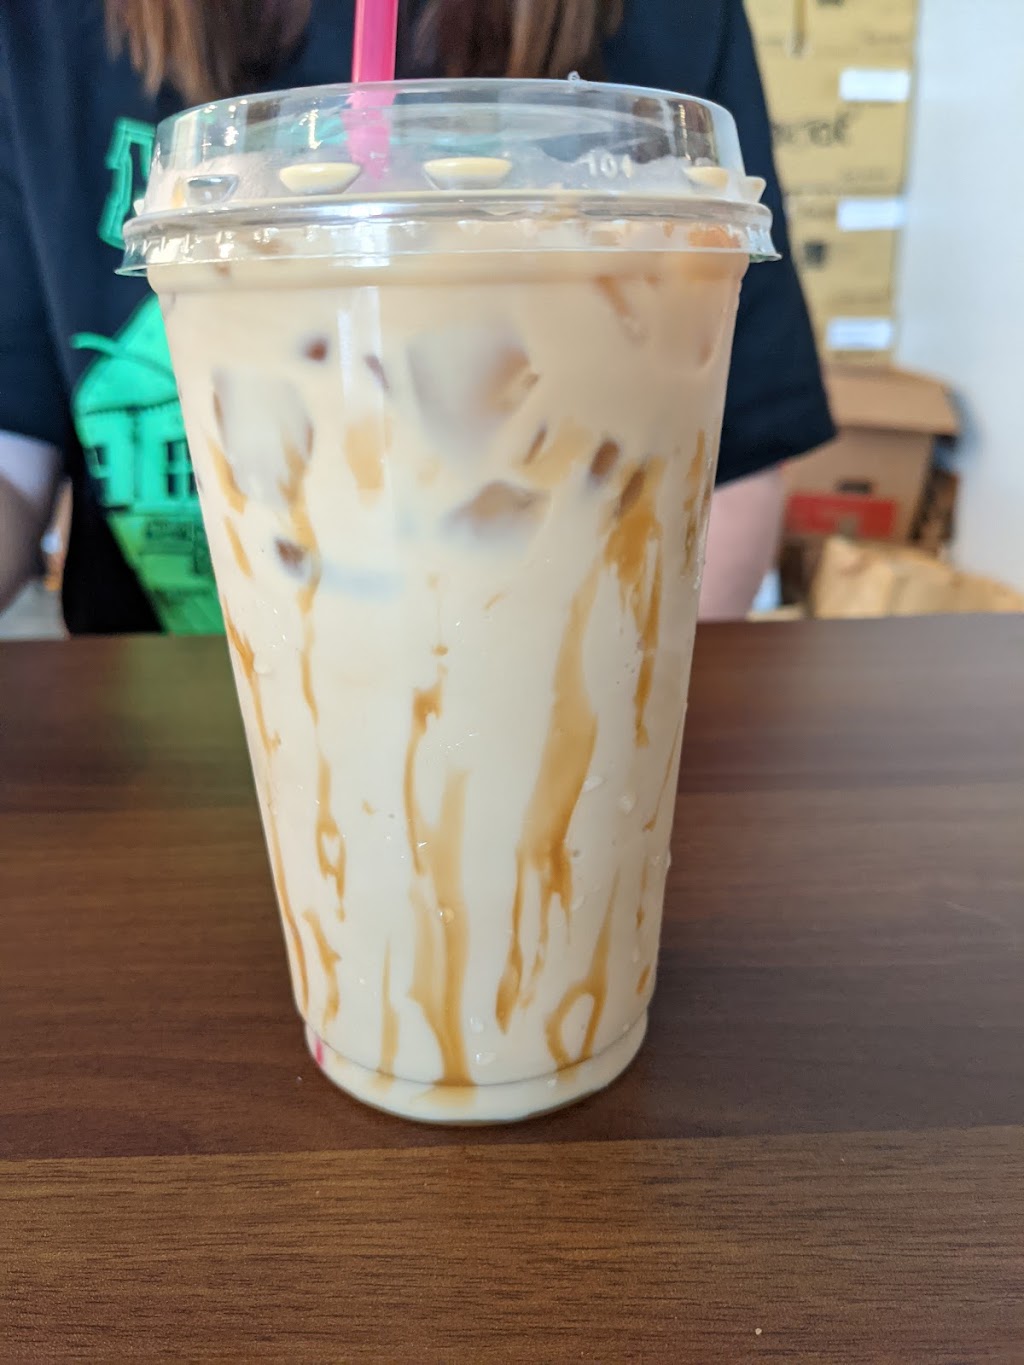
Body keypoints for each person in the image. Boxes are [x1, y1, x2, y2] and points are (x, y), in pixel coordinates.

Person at [0, 0, 832, 634]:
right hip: (146, 732)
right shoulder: (44, 28)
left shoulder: (668, 18)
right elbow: (13, 452)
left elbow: (727, 467)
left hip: (568, 699)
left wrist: (623, 725)